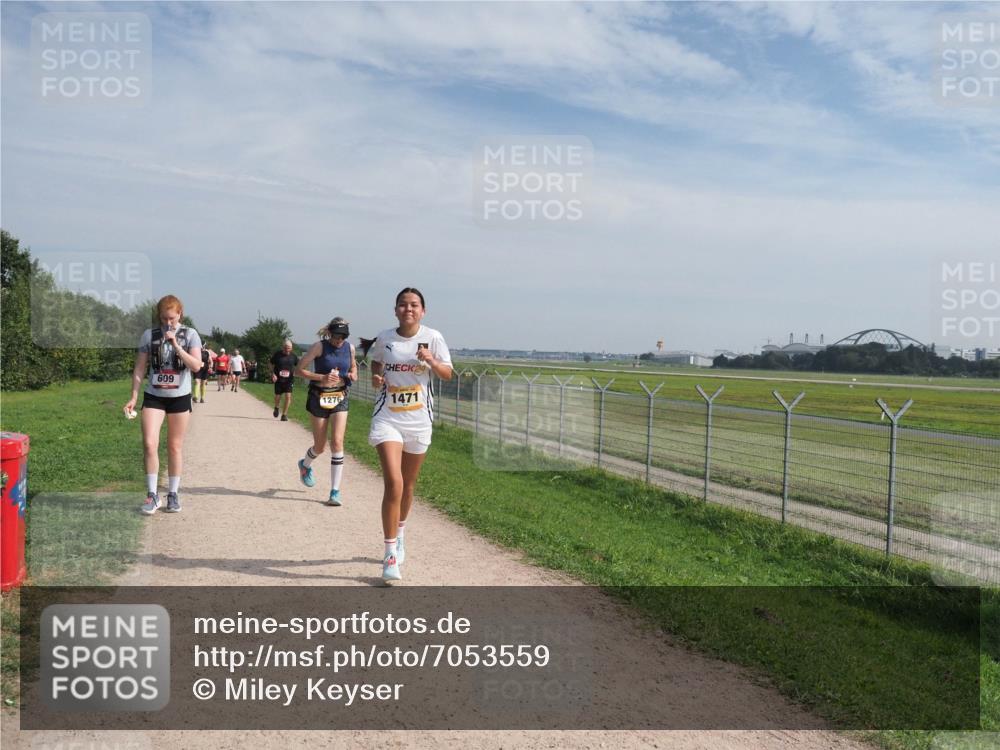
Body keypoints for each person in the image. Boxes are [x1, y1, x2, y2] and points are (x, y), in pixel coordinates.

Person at [369, 288, 452, 582]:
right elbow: (377, 362)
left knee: (409, 484)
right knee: (394, 482)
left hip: (419, 421)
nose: (409, 309)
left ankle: (400, 531)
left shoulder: (433, 338)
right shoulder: (385, 338)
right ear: (395, 310)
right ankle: (390, 554)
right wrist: (376, 377)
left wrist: (431, 360)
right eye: (403, 305)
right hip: (387, 418)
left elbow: (447, 374)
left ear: (423, 310)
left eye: (414, 305)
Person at [123, 295, 203, 514]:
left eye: (172, 318)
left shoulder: (191, 335)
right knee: (149, 443)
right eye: (163, 318)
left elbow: (196, 366)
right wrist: (133, 396)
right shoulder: (149, 336)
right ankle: (152, 496)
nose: (168, 322)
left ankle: (173, 494)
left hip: (180, 396)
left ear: (180, 314)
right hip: (154, 396)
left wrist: (176, 345)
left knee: (175, 446)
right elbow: (140, 368)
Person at [295, 318, 358, 507]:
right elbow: (298, 370)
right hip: (318, 396)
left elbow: (353, 366)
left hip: (340, 396)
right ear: (330, 333)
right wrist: (322, 377)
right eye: (337, 336)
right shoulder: (318, 347)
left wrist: (354, 374)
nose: (340, 340)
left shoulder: (350, 348)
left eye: (343, 336)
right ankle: (304, 465)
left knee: (337, 441)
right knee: (320, 446)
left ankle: (335, 492)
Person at [271, 340, 299, 421]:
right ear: (283, 347)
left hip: (289, 380)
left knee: (288, 396)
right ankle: (276, 407)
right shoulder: (277, 355)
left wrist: (296, 372)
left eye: (289, 348)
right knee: (277, 396)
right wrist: (273, 374)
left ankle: (284, 415)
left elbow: (299, 365)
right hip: (279, 379)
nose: (288, 350)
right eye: (286, 348)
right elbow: (270, 363)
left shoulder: (294, 356)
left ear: (292, 348)